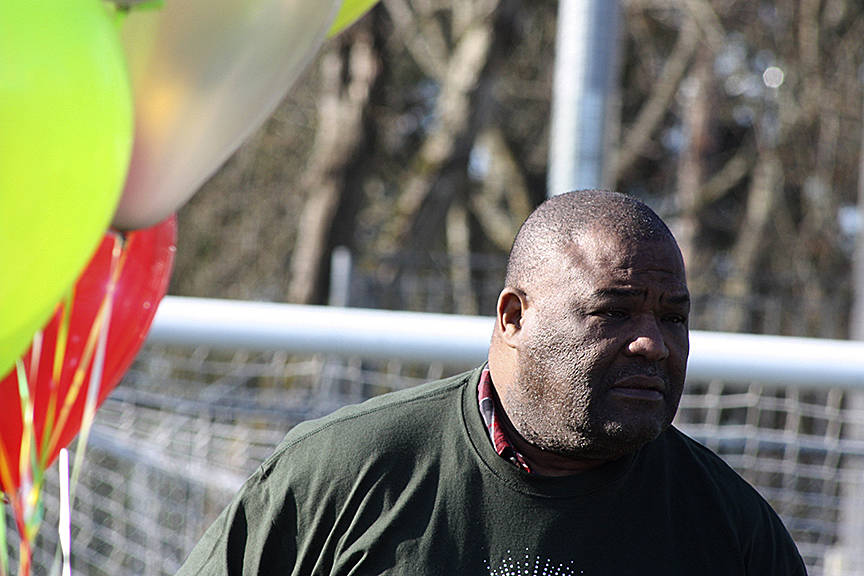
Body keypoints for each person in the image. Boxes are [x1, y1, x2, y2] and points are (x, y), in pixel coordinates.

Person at [177, 190, 807, 575]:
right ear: (513, 316)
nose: (652, 342)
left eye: (674, 317)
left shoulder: (732, 531)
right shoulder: (342, 475)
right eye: (612, 312)